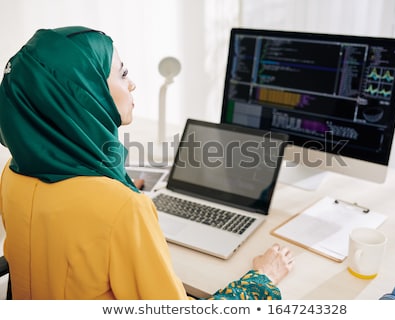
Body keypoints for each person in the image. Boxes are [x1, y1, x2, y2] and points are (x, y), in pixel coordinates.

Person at [0, 26, 294, 300]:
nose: (132, 84)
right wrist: (261, 278)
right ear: (85, 94)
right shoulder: (123, 208)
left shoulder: (13, 172)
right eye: (122, 73)